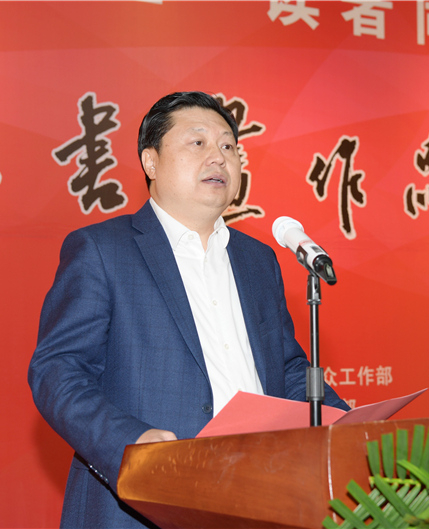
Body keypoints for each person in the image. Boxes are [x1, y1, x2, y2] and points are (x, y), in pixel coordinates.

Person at [28, 91, 349, 528]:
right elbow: (57, 370)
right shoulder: (103, 250)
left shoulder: (259, 260)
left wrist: (348, 427)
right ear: (151, 162)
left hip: (261, 496)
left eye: (228, 146)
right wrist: (132, 443)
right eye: (198, 143)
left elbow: (287, 369)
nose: (219, 157)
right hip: (146, 502)